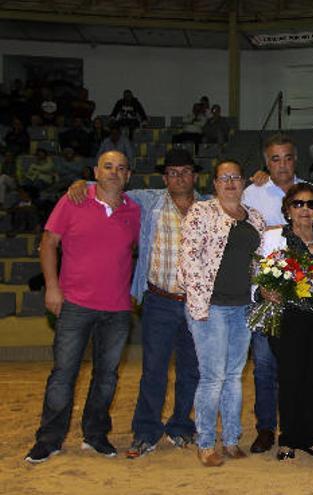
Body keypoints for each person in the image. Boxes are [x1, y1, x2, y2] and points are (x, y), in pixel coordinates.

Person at [65, 149, 206, 459]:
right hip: (159, 300)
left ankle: (181, 425)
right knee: (153, 369)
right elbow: (109, 184)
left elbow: (241, 199)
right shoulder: (148, 200)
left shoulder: (211, 206)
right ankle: (146, 430)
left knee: (191, 370)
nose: (178, 177)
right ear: (164, 177)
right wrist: (82, 184)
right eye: (172, 172)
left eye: (185, 171)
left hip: (198, 304)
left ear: (195, 176)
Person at [24, 151, 140, 464]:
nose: (114, 173)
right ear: (95, 172)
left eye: (120, 169)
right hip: (74, 304)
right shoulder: (73, 201)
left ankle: (95, 435)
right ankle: (49, 440)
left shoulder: (134, 210)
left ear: (128, 176)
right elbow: (49, 243)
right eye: (107, 167)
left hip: (116, 309)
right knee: (63, 375)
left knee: (107, 377)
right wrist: (51, 287)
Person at [242, 134, 313, 454]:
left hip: (308, 301)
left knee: (303, 368)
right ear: (266, 162)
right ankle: (266, 427)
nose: (282, 164)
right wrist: (261, 287)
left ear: (296, 159)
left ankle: (301, 430)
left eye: (288, 157)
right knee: (265, 364)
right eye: (275, 159)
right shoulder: (252, 191)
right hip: (271, 293)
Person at [179, 160, 265, 467]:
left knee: (233, 376)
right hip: (211, 307)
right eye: (223, 178)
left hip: (243, 306)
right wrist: (199, 300)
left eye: (235, 177)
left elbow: (260, 260)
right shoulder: (201, 212)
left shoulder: (254, 217)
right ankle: (205, 443)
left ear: (243, 183)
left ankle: (230, 440)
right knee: (213, 377)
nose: (230, 182)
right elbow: (188, 260)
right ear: (214, 184)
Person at [260, 183, 313, 462]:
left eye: (311, 204)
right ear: (287, 209)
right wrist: (262, 291)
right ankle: (288, 439)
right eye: (298, 204)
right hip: (290, 318)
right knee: (291, 378)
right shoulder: (274, 237)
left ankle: (312, 438)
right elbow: (259, 276)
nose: (305, 209)